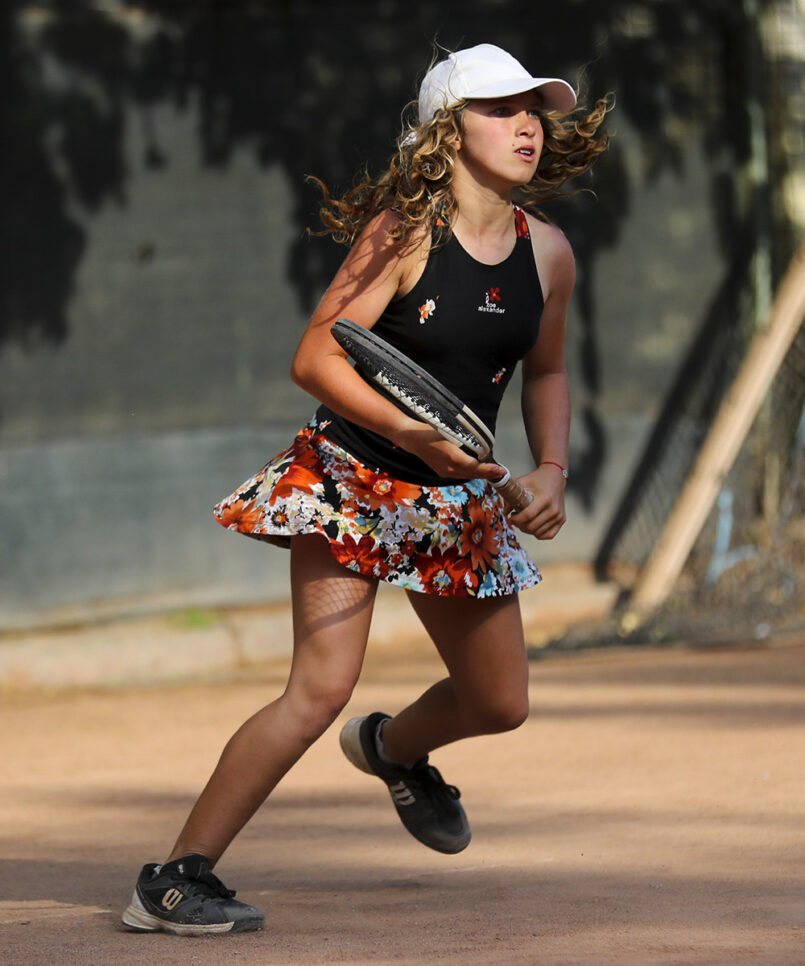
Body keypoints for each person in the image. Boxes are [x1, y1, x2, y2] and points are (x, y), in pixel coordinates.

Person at [121, 42, 610, 936]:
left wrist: (549, 469)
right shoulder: (404, 230)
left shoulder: (550, 255)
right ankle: (174, 878)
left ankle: (391, 751)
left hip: (455, 500)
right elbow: (315, 356)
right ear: (447, 131)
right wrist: (408, 432)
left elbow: (545, 373)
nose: (526, 124)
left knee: (501, 704)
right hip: (355, 476)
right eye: (500, 108)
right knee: (319, 688)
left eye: (533, 108)